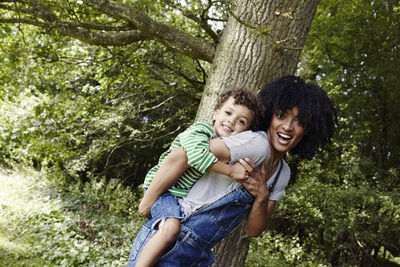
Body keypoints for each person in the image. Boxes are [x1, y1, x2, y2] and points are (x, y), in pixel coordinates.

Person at [127, 75, 337, 266]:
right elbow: (182, 154)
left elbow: (253, 231)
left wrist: (262, 196)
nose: (288, 127)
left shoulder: (282, 173)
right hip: (168, 241)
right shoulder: (255, 144)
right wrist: (149, 199)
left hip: (197, 256)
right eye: (282, 116)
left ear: (309, 130)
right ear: (270, 116)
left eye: (299, 122)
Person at [135, 88, 263, 267]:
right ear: (216, 113)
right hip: (166, 191)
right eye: (227, 112)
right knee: (170, 229)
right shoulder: (200, 131)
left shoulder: (220, 145)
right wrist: (231, 171)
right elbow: (194, 155)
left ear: (245, 131)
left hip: (176, 196)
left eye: (241, 121)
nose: (231, 121)